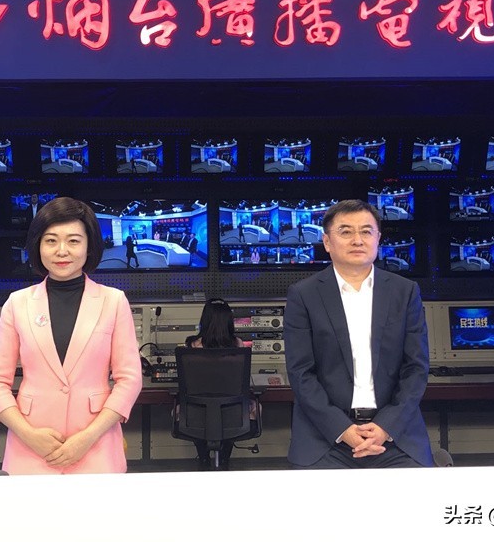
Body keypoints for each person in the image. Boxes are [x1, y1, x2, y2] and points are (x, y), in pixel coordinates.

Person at [0, 197, 142, 475]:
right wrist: (29, 435)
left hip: (95, 447)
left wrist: (87, 438)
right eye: (51, 241)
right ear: (38, 245)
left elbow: (129, 380)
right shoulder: (17, 303)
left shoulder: (114, 301)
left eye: (73, 241)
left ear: (89, 246)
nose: (61, 251)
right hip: (31, 448)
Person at [284, 199, 433, 469]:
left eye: (366, 231)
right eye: (346, 232)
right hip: (325, 437)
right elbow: (301, 373)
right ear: (327, 242)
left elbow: (416, 368)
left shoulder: (405, 292)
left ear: (378, 239)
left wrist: (386, 426)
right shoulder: (303, 295)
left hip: (395, 435)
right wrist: (343, 430)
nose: (357, 240)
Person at [183, 298, 258, 468]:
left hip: (196, 415)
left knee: (195, 412)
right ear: (229, 321)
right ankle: (224, 460)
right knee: (241, 409)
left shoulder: (191, 345)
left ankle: (203, 460)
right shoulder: (238, 344)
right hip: (233, 414)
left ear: (204, 320)